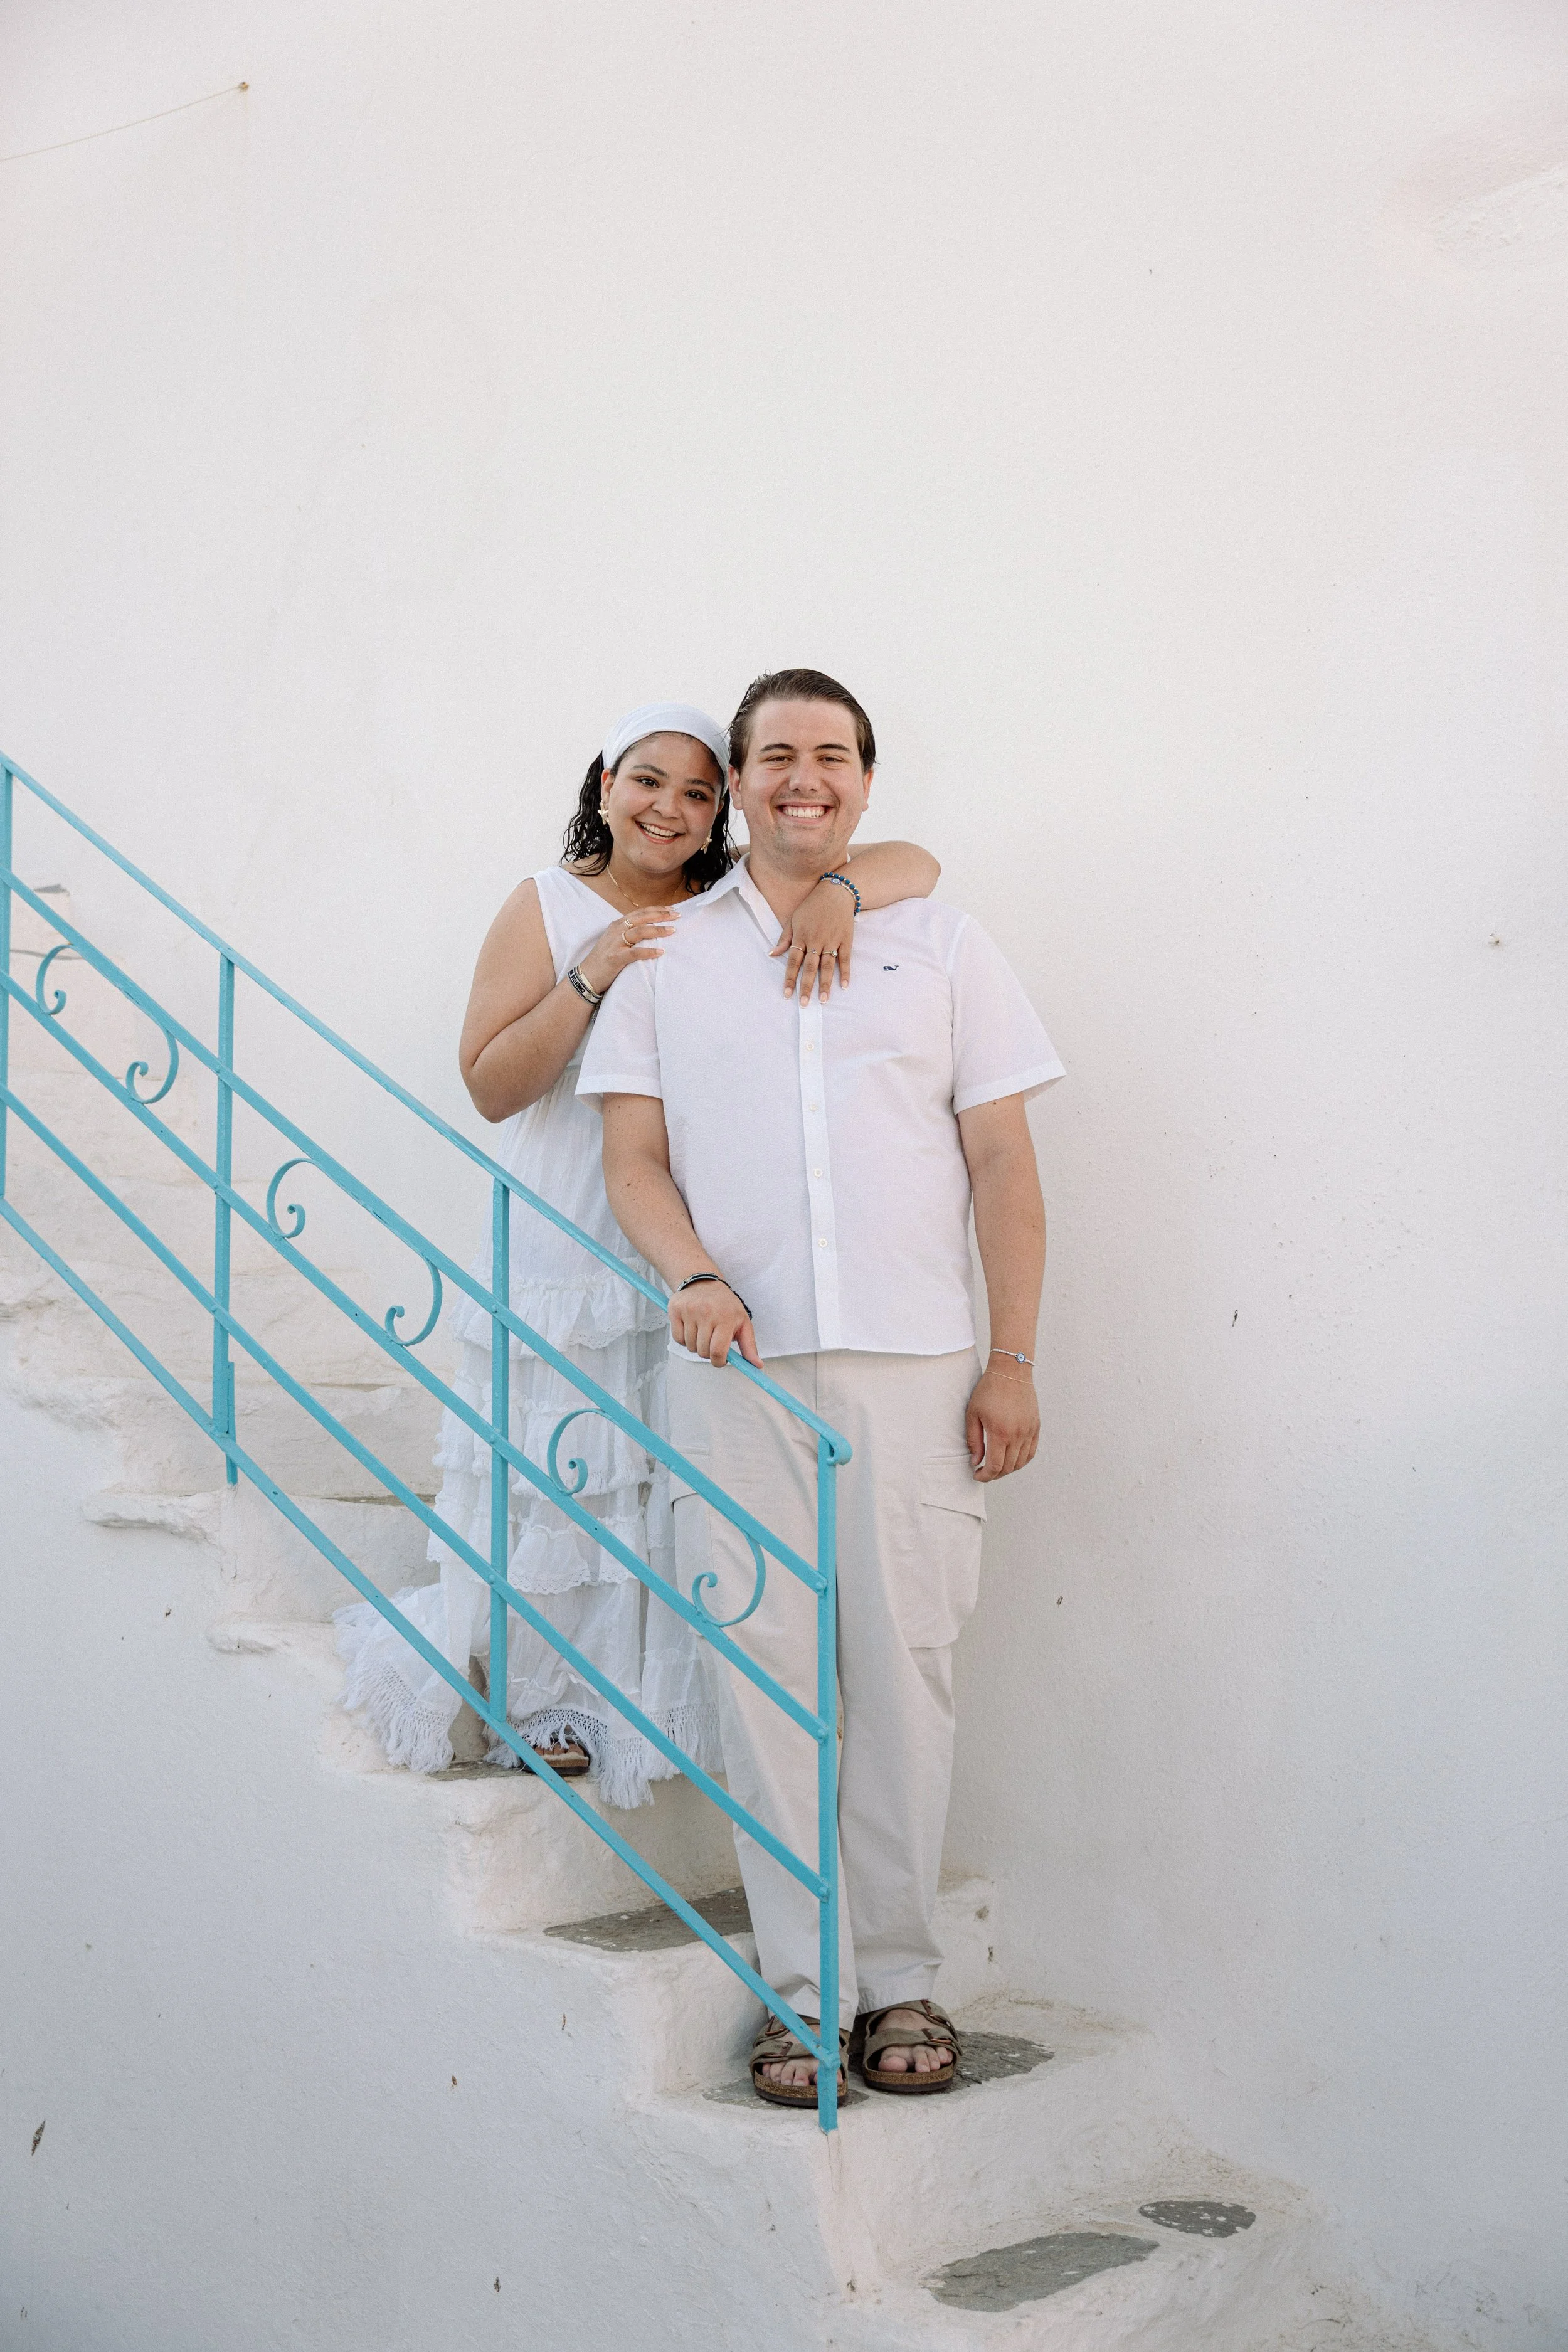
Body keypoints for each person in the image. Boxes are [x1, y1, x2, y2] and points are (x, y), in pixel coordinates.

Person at [583, 669, 1062, 2095]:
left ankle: (900, 1989)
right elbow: (632, 1160)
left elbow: (1001, 1165)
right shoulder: (667, 955)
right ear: (735, 783)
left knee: (903, 1676)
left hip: (918, 1374)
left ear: (864, 780)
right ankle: (801, 1996)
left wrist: (1014, 1357)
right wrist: (693, 1276)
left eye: (832, 755)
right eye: (774, 754)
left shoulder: (942, 942)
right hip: (740, 1377)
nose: (806, 775)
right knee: (763, 1678)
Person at [336, 701, 941, 1805]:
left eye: (700, 792)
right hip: (568, 1216)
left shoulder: (727, 907)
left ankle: (643, 1701)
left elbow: (918, 859)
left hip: (685, 1225)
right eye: (650, 781)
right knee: (561, 1458)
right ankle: (544, 1701)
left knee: (658, 1474)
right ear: (607, 781)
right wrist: (594, 971)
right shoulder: (547, 904)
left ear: (723, 812)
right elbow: (488, 1084)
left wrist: (847, 891)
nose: (671, 806)